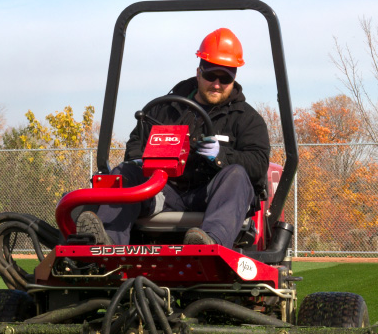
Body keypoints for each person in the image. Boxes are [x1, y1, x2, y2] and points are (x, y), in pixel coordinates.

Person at [76, 27, 271, 248]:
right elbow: (136, 145)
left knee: (236, 174)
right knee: (126, 170)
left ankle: (210, 245)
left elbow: (258, 164)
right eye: (210, 75)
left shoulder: (247, 119)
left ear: (234, 78)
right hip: (162, 189)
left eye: (224, 78)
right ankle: (106, 244)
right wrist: (149, 161)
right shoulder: (166, 109)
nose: (216, 84)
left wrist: (221, 156)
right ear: (199, 72)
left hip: (211, 195)